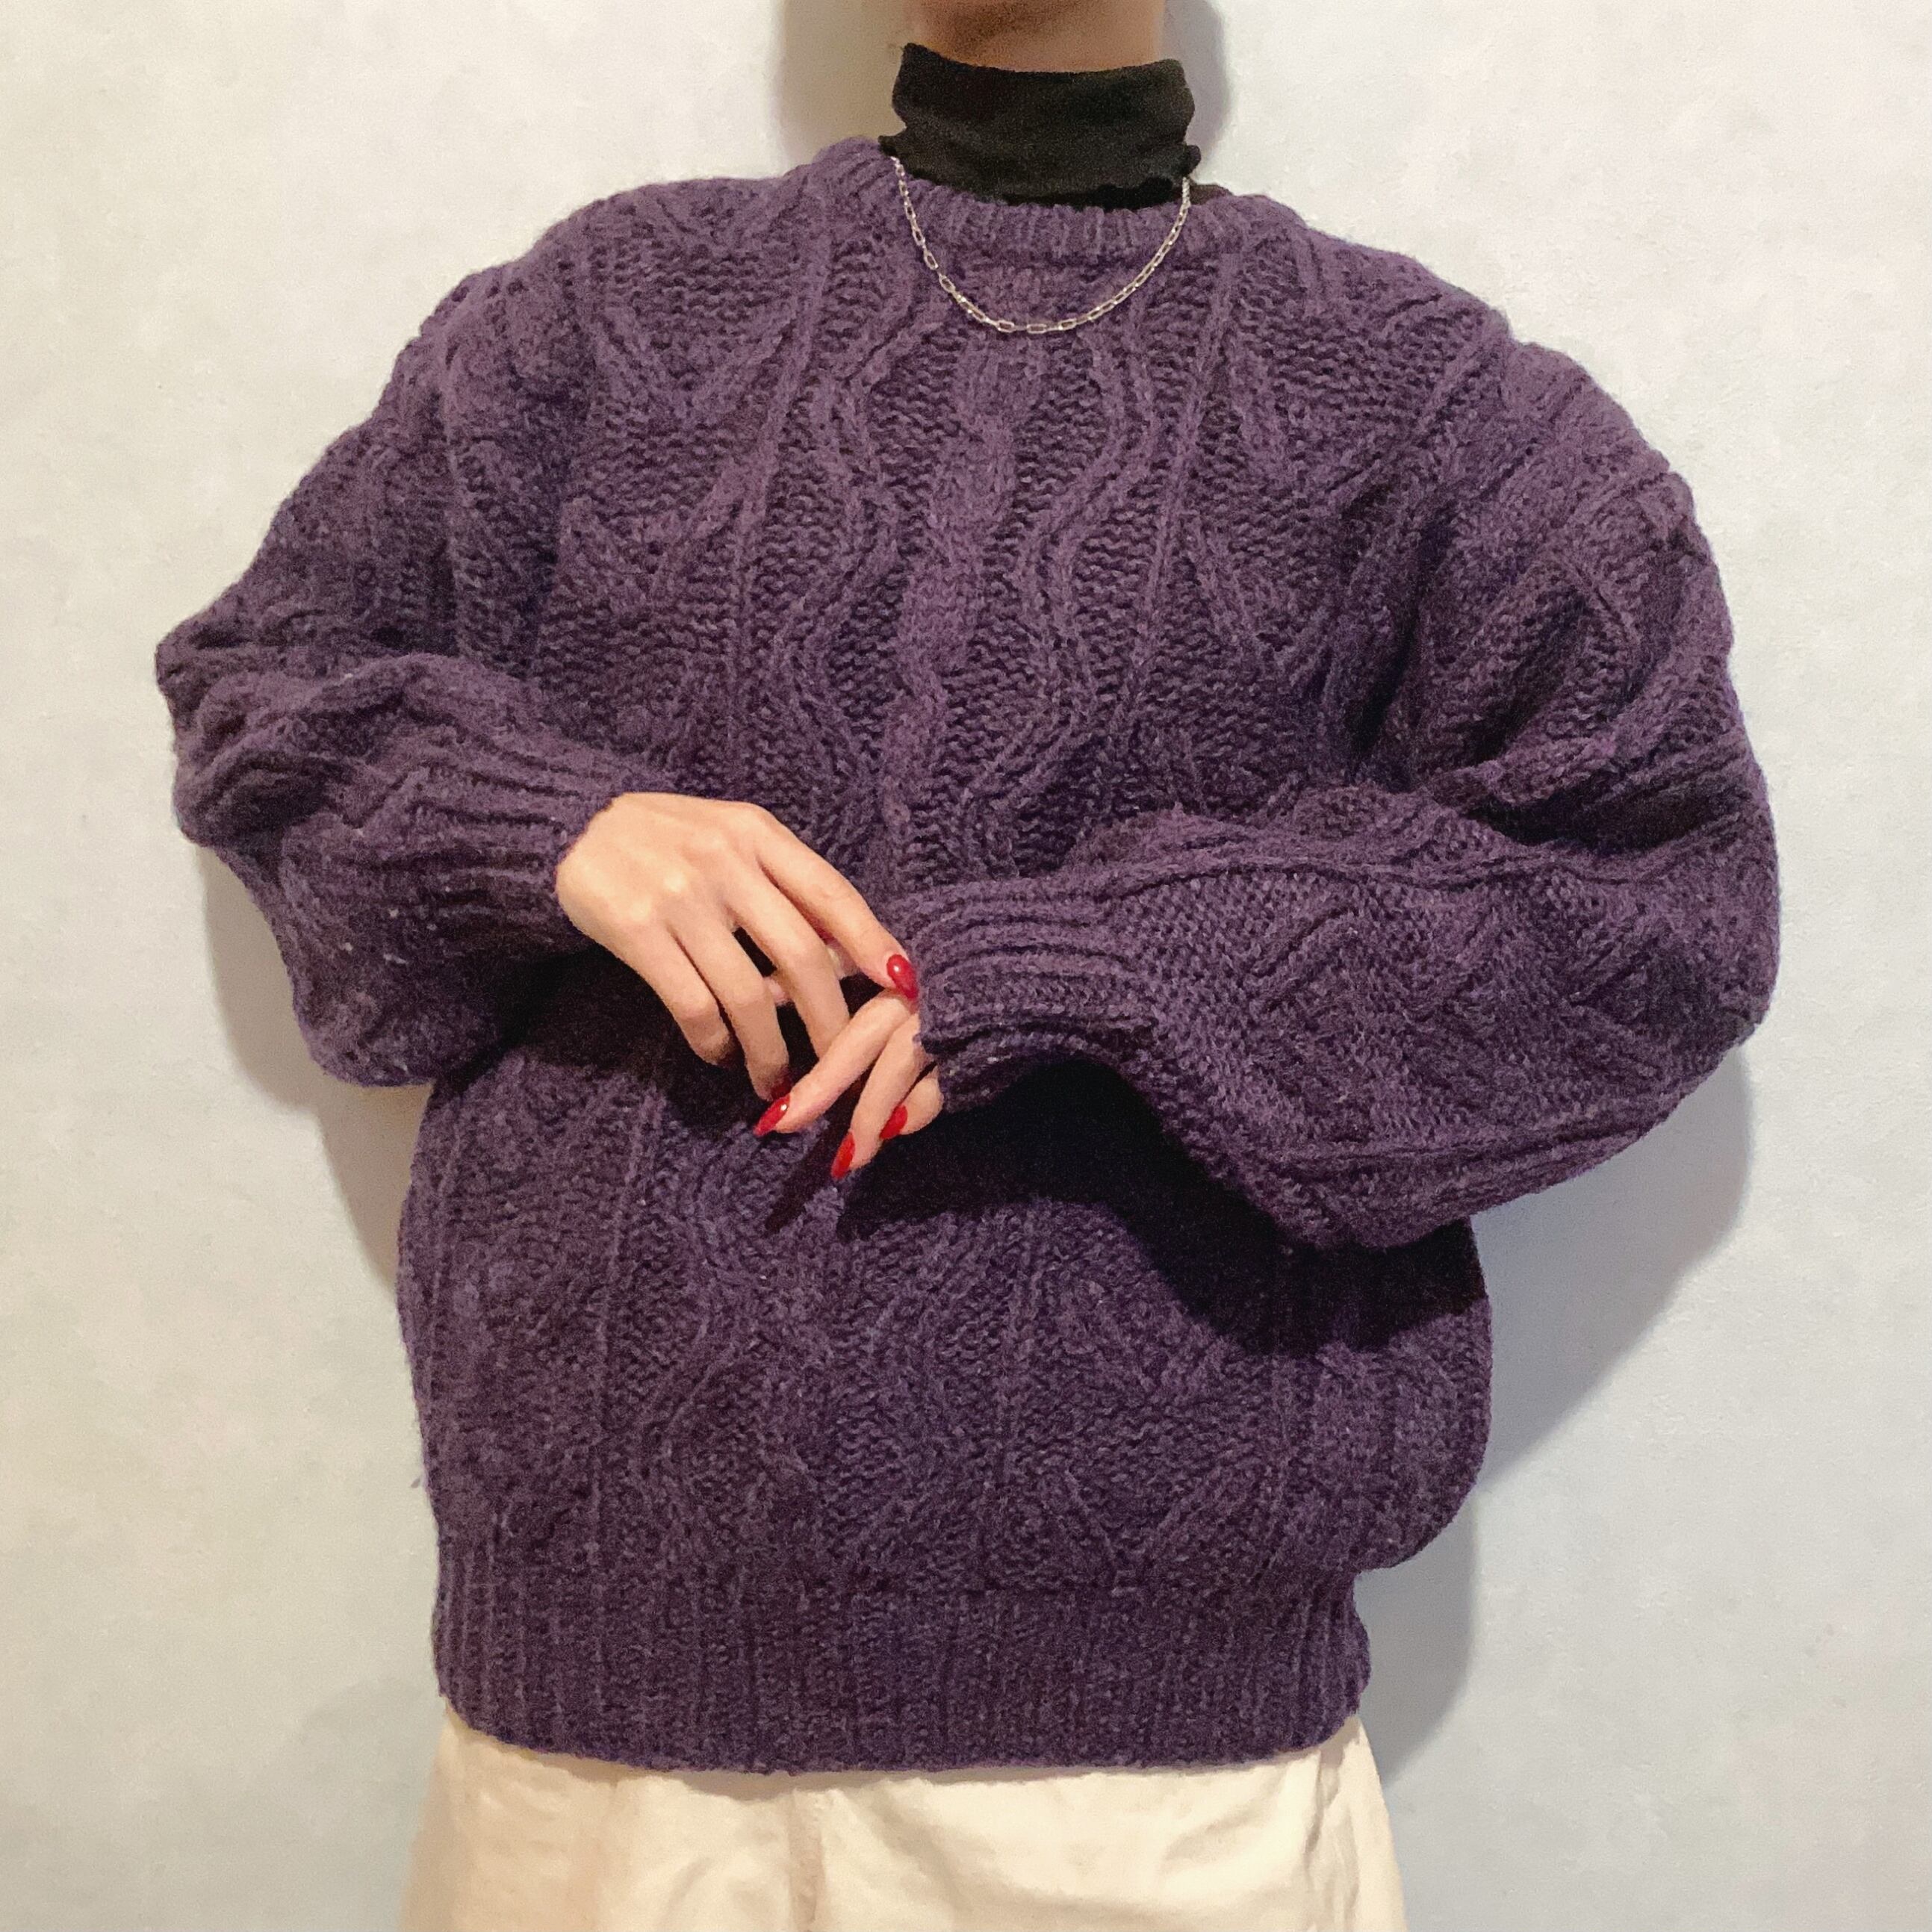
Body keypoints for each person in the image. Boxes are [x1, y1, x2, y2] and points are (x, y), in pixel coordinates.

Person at [151, 4, 1783, 1928]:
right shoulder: (609, 316)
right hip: (598, 1744)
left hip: (1139, 1789)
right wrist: (549, 822)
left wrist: (1103, 953)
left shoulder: (1426, 405)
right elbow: (266, 688)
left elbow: (1653, 897)